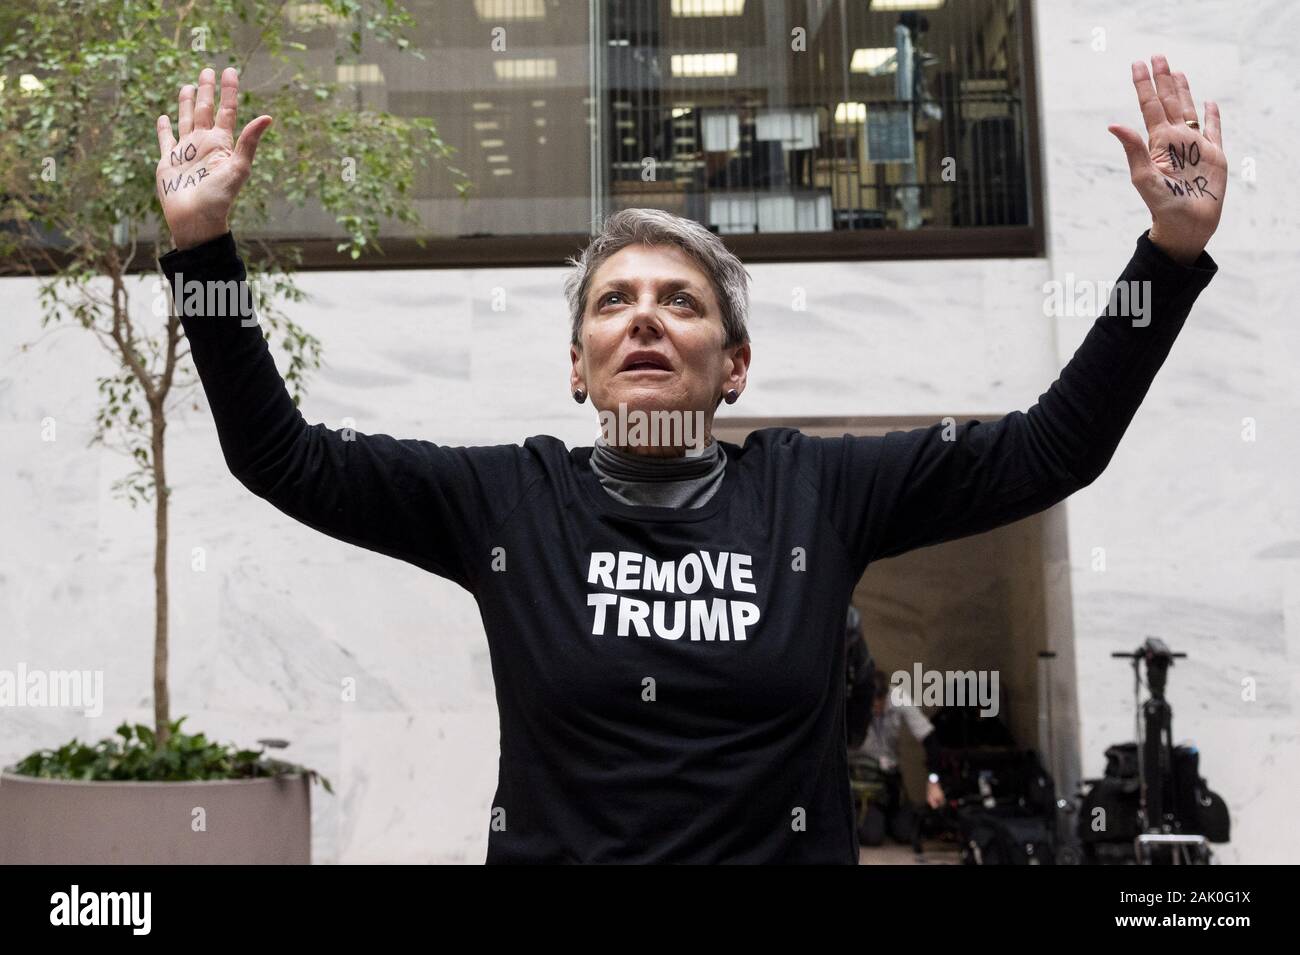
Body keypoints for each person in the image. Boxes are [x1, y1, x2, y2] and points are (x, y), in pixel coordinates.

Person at [153, 57, 1223, 863]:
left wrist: (1167, 258)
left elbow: (1051, 448)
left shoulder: (816, 491)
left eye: (681, 302)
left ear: (734, 366)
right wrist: (203, 251)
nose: (646, 320)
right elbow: (280, 457)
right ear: (579, 367)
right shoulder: (507, 499)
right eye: (613, 302)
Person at [853, 671, 945, 848]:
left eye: (879, 704)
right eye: (871, 705)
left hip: (890, 780)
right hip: (864, 781)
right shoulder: (852, 704)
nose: (875, 709)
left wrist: (934, 781)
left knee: (907, 832)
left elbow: (929, 739)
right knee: (872, 836)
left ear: (886, 695)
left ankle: (887, 815)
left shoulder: (898, 698)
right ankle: (868, 815)